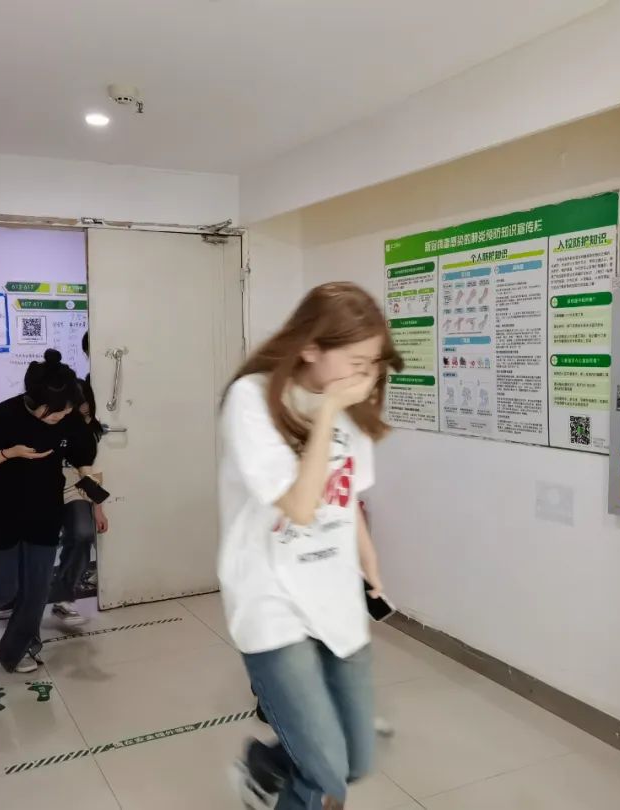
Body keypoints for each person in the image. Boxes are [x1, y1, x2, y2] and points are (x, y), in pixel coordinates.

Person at [219, 282, 403, 810]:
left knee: (357, 761)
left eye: (373, 363)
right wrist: (326, 413)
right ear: (310, 348)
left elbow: (347, 497)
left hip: (333, 590)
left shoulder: (349, 401)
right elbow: (299, 506)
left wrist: (369, 559)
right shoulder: (252, 398)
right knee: (326, 774)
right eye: (357, 362)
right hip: (270, 597)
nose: (367, 375)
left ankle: (268, 764)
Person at [0, 349, 96, 673]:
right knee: (3, 589)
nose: (64, 417)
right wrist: (10, 453)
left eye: (68, 411)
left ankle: (16, 651)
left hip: (43, 509)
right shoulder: (3, 417)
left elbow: (82, 450)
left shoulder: (68, 416)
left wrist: (88, 479)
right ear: (36, 403)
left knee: (36, 589)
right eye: (57, 412)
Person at [49, 332, 109, 627]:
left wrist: (97, 507)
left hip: (75, 486)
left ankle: (63, 597)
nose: (83, 408)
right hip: (44, 485)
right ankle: (8, 594)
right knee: (34, 546)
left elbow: (88, 469)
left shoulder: (93, 429)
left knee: (83, 534)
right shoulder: (54, 422)